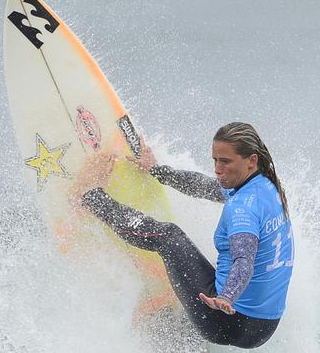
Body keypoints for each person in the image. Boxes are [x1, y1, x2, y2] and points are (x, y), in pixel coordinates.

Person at [77, 122, 294, 349]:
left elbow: (244, 261)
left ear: (251, 160)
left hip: (226, 321)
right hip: (265, 326)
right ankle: (187, 336)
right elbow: (205, 186)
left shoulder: (242, 209)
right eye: (215, 160)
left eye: (225, 161)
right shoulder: (267, 186)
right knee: (209, 261)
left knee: (170, 236)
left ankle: (93, 198)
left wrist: (226, 297)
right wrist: (157, 170)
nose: (218, 169)